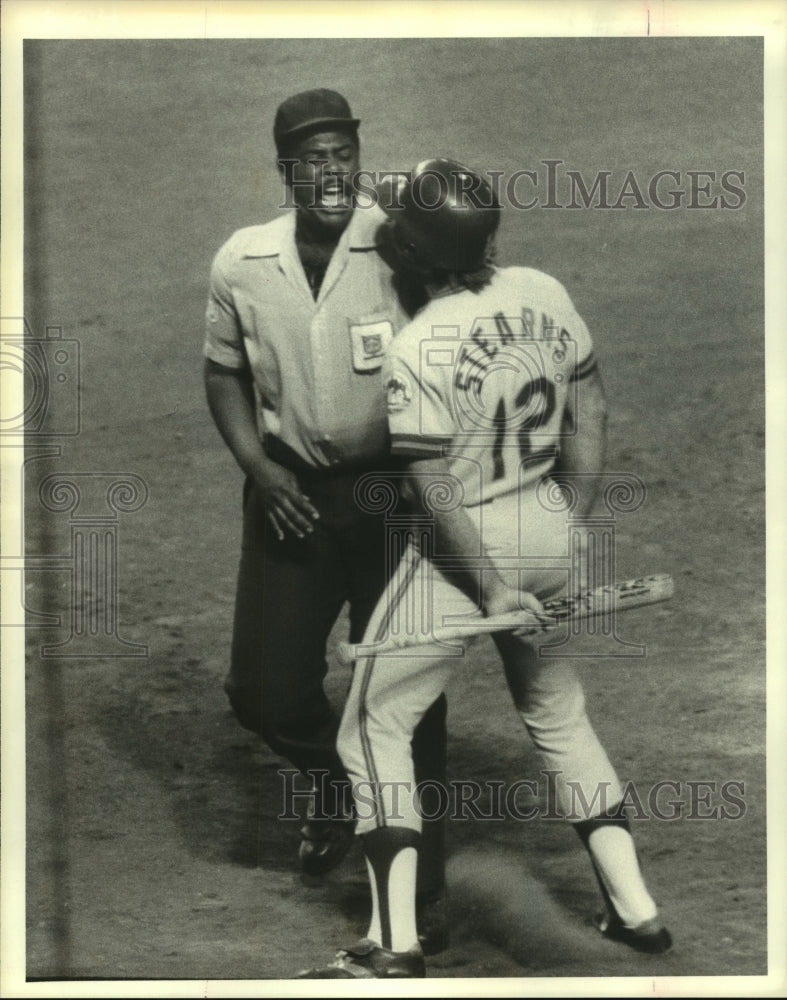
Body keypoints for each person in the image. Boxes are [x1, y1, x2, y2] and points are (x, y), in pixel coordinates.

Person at [298, 158, 672, 978]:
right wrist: (567, 519)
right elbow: (592, 408)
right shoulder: (545, 290)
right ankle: (635, 911)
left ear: (420, 254)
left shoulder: (419, 343)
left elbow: (430, 480)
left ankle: (391, 946)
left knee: (371, 727)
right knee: (557, 712)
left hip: (466, 547)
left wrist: (493, 583)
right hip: (545, 521)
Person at [202, 91, 448, 948]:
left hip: (392, 498)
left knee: (408, 701)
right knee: (262, 688)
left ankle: (420, 896)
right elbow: (223, 372)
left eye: (341, 153)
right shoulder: (242, 260)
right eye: (310, 158)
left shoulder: (401, 244)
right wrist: (258, 465)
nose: (329, 171)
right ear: (285, 169)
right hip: (291, 495)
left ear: (357, 156)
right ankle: (341, 792)